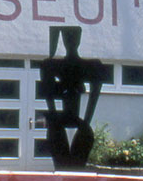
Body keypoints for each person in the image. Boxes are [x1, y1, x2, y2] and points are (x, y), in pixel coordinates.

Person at [40, 26, 109, 170]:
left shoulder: (91, 65)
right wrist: (55, 118)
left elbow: (94, 94)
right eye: (68, 38)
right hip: (63, 121)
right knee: (61, 159)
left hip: (75, 121)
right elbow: (48, 94)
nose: (71, 42)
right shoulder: (50, 65)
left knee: (77, 160)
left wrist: (85, 123)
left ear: (79, 39)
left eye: (73, 38)